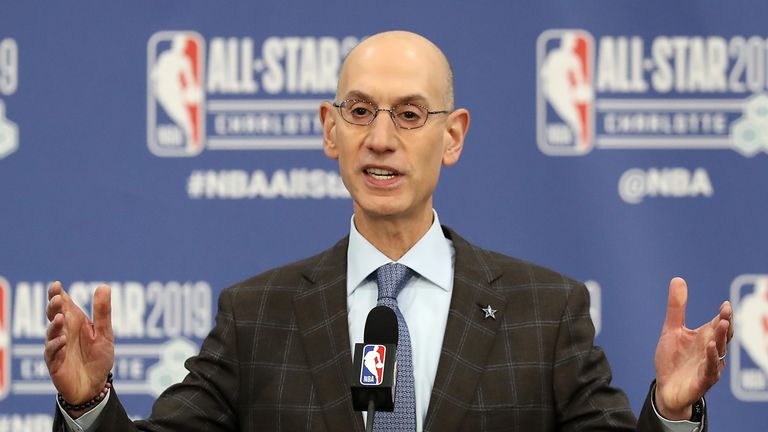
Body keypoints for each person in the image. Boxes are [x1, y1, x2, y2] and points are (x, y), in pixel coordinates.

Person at [45, 30, 733, 432]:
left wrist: (669, 414)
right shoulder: (256, 317)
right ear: (329, 130)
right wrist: (88, 402)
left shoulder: (544, 311)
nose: (380, 139)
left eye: (409, 115)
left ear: (452, 136)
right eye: (360, 111)